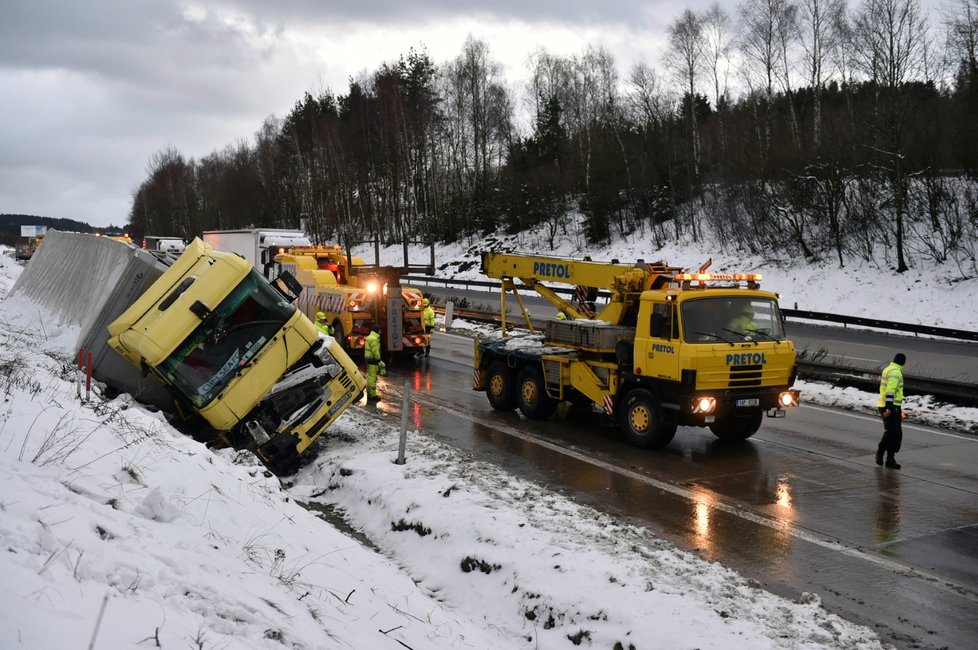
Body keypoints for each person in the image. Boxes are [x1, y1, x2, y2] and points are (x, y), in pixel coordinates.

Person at [876, 353, 906, 469]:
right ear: (903, 363)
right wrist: (889, 407)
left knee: (896, 434)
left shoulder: (888, 368)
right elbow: (890, 390)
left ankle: (890, 459)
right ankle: (880, 452)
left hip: (891, 405)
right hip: (890, 405)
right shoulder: (895, 372)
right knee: (892, 433)